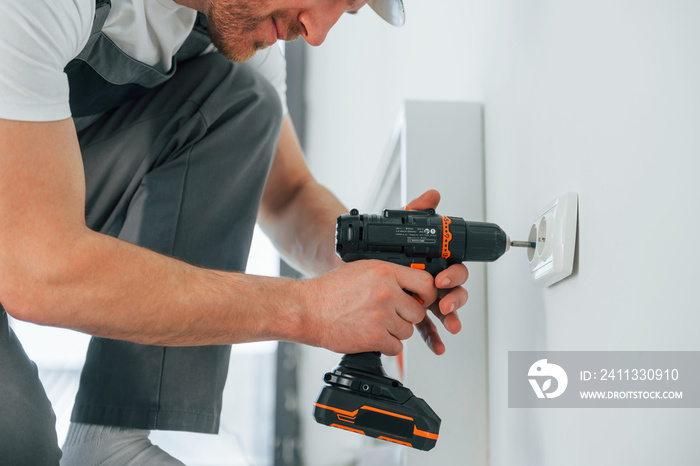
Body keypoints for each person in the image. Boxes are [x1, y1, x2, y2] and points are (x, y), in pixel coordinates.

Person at [0, 0, 468, 464]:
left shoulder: (236, 34)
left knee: (244, 102)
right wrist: (309, 310)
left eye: (346, 12)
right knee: (19, 444)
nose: (318, 32)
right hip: (27, 244)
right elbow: (37, 270)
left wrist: (372, 254)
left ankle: (108, 445)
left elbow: (288, 196)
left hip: (29, 209)